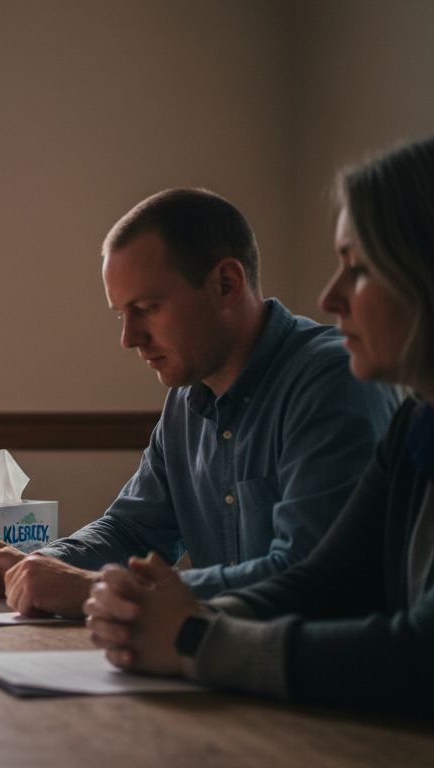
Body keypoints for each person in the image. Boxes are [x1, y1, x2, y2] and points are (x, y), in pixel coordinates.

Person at [85, 135, 434, 716]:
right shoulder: (416, 423)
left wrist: (193, 637)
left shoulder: (330, 381)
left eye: (359, 269)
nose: (330, 297)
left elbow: (419, 657)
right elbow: (324, 580)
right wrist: (152, 612)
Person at [0, 188, 398, 617]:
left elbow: (307, 578)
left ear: (226, 283)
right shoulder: (185, 401)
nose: (129, 338)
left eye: (147, 308)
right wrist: (34, 566)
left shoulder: (332, 381)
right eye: (121, 314)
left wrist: (94, 589)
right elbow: (132, 530)